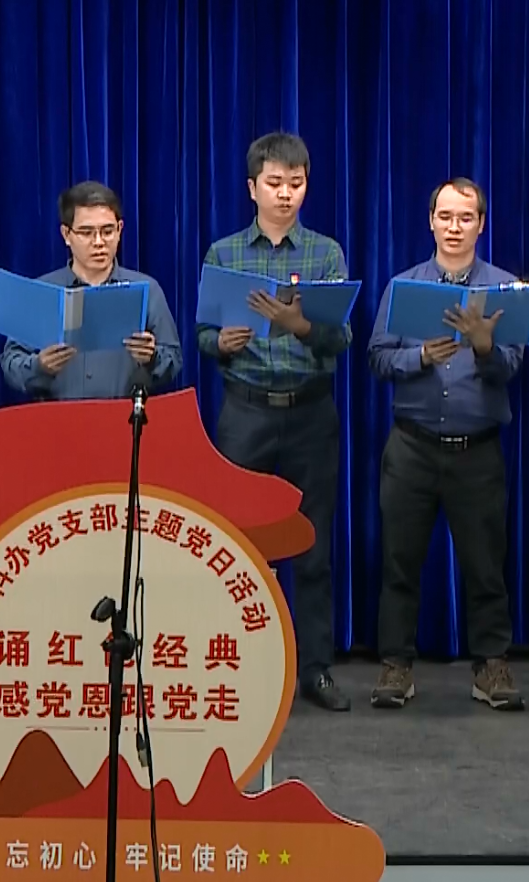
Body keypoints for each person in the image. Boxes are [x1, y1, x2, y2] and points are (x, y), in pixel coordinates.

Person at [196, 132, 353, 711]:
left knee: (313, 546)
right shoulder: (224, 253)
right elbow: (203, 333)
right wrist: (222, 343)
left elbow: (341, 338)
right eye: (275, 183)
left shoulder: (326, 254)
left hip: (311, 411)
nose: (286, 194)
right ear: (252, 188)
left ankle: (316, 669)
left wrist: (300, 326)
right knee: (237, 545)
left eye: (296, 183)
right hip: (246, 410)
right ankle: (239, 667)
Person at [366, 179, 525, 711]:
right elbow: (377, 357)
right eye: (446, 217)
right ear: (431, 221)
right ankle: (396, 665)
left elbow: (511, 366)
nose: (455, 227)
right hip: (411, 446)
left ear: (481, 224)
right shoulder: (403, 285)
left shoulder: (505, 290)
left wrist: (484, 347)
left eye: (466, 217)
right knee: (400, 562)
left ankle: (491, 666)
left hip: (477, 449)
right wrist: (419, 358)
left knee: (485, 566)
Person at [0, 181, 182, 400]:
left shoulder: (148, 289)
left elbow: (173, 359)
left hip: (125, 416)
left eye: (107, 231)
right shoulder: (40, 292)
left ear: (120, 230)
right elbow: (11, 363)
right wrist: (40, 366)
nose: (99, 242)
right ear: (66, 234)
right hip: (59, 416)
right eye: (86, 233)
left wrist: (151, 357)